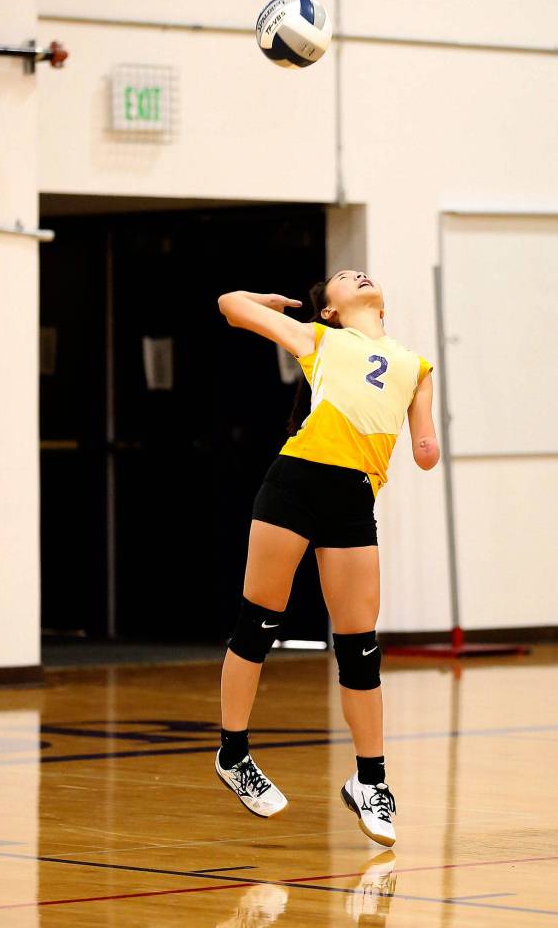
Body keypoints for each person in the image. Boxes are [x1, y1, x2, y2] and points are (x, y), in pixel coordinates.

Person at [214, 269, 440, 847]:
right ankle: (233, 754)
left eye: (361, 273)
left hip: (353, 498)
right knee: (258, 623)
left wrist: (425, 444)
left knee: (360, 646)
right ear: (330, 310)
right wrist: (263, 300)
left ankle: (371, 781)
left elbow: (424, 444)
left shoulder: (415, 366)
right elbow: (229, 305)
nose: (357, 275)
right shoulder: (320, 340)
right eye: (343, 277)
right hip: (294, 482)